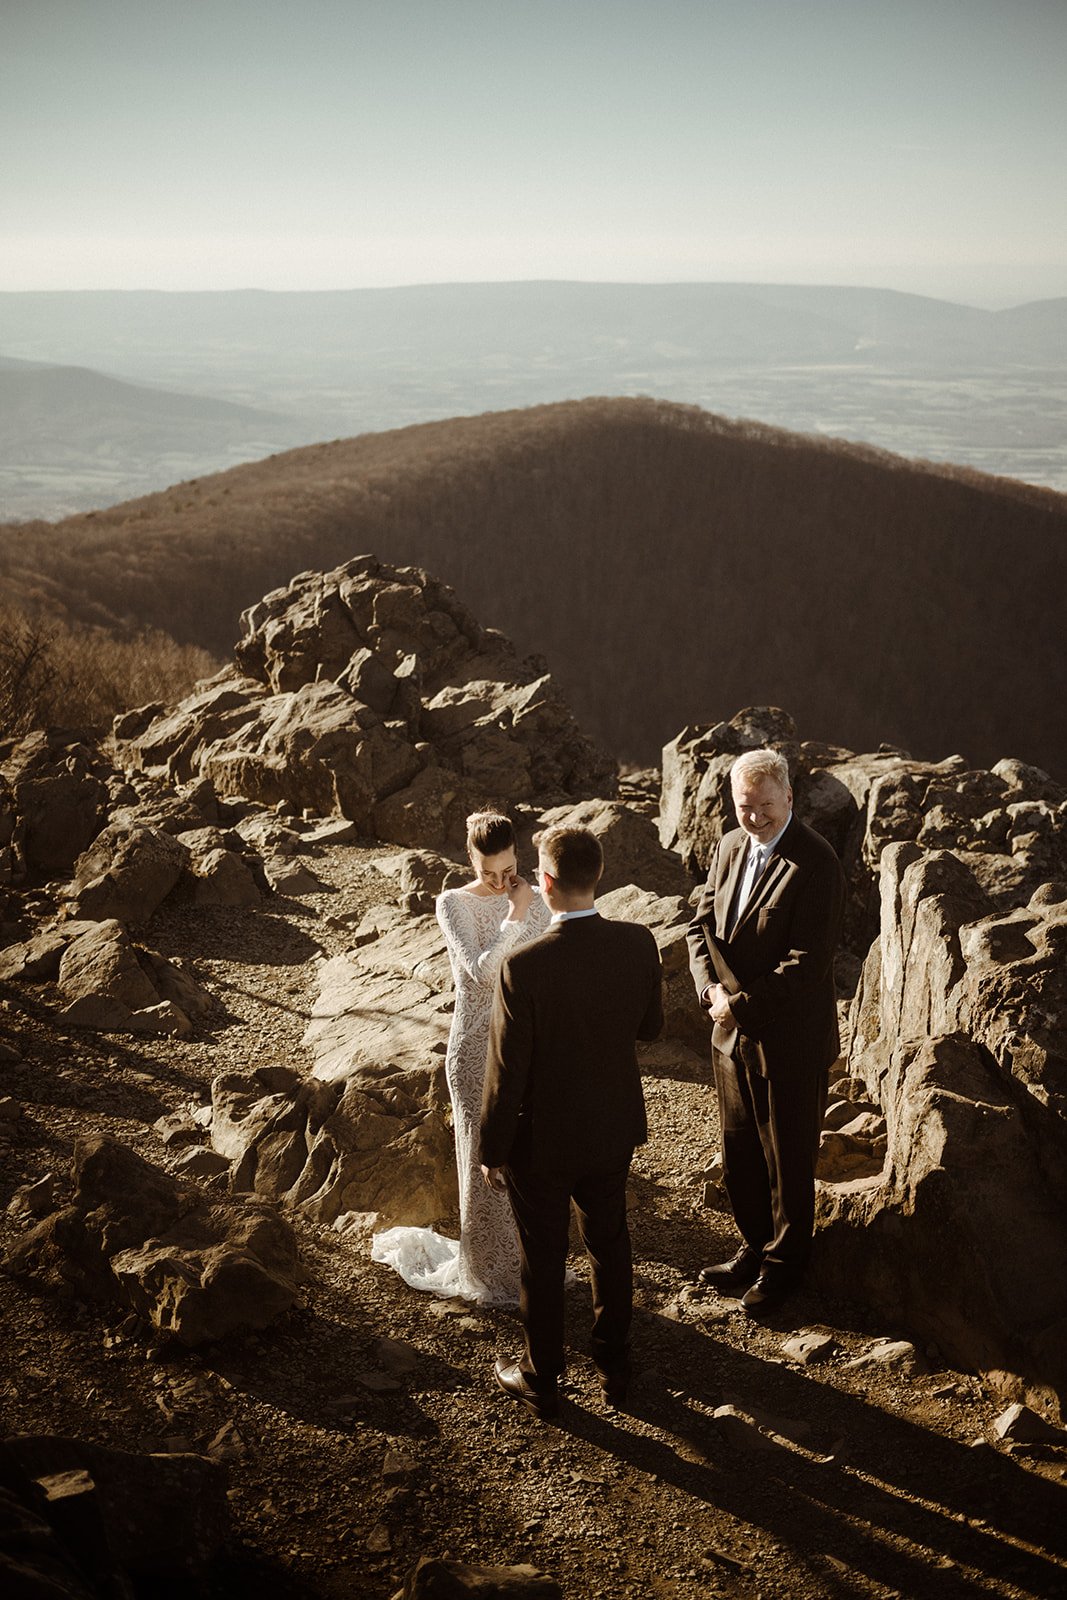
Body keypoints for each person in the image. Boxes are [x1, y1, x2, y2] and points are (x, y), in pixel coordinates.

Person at [480, 825, 663, 1418]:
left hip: (543, 1140)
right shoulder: (639, 943)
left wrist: (491, 1148)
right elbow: (650, 1029)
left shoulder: (525, 967)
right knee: (609, 1241)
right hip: (612, 1125)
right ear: (599, 875)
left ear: (549, 884)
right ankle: (615, 1360)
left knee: (545, 1255)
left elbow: (508, 1073)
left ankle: (543, 1375)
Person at [686, 748, 845, 1316]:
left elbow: (810, 960)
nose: (753, 818)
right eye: (743, 806)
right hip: (729, 1029)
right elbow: (698, 925)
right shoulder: (729, 846)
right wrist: (711, 994)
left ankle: (784, 1268)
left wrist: (741, 1007)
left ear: (790, 799)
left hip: (787, 1037)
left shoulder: (817, 863)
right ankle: (754, 1248)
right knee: (740, 1152)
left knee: (788, 1157)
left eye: (765, 807)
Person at [371, 810, 551, 1305]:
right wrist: (514, 913)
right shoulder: (453, 903)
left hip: (530, 1045)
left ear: (519, 855)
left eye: (508, 870)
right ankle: (490, 1272)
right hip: (475, 1047)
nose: (498, 881)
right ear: (470, 859)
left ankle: (532, 1263)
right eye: (487, 872)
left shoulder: (536, 896)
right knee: (483, 1159)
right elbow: (479, 973)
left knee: (529, 1156)